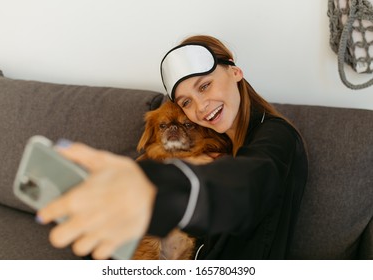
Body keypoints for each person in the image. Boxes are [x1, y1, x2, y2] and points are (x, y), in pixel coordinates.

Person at [37, 35, 308, 260]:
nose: (201, 107)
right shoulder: (217, 139)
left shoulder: (277, 135)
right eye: (187, 102)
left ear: (235, 72)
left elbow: (249, 184)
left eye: (205, 85)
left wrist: (161, 189)